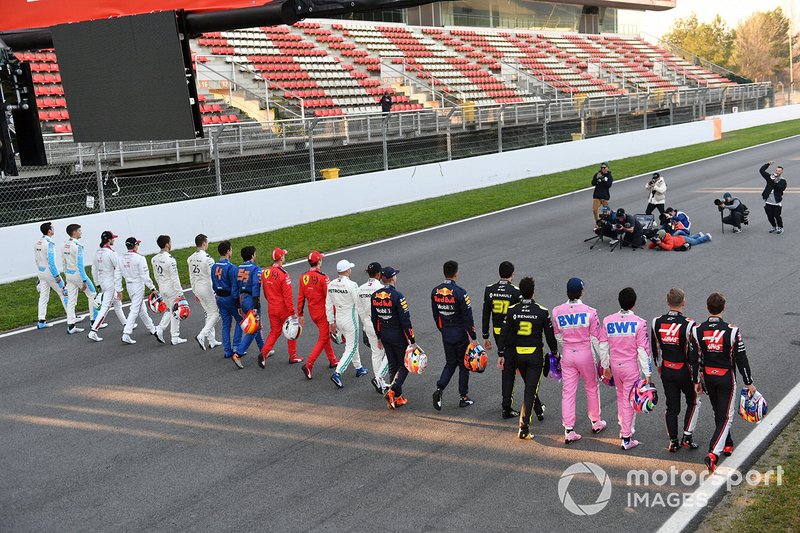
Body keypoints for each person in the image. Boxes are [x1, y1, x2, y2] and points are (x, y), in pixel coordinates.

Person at [692, 292, 756, 473]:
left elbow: (694, 358)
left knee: (719, 412)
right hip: (726, 378)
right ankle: (713, 453)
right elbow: (741, 358)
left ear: (707, 308)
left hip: (708, 378)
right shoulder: (732, 330)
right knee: (726, 416)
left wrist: (696, 380)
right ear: (724, 307)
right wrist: (749, 381)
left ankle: (727, 443)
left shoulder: (697, 330)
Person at [497, 277, 558, 440]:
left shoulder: (512, 310)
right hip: (535, 357)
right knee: (530, 389)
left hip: (518, 355)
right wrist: (555, 352)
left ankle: (538, 408)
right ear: (533, 292)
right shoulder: (542, 311)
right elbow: (550, 336)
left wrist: (501, 353)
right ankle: (524, 426)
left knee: (529, 386)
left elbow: (504, 332)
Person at [482, 260, 544, 420]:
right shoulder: (515, 291)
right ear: (512, 274)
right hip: (513, 336)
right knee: (520, 370)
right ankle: (528, 406)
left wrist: (485, 335)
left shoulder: (489, 289)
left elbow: (485, 313)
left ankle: (515, 406)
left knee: (510, 369)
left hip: (498, 334)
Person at [551, 278, 609, 445]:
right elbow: (596, 339)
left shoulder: (557, 311)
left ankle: (568, 429)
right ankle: (596, 421)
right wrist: (605, 363)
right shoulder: (590, 311)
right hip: (585, 354)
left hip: (568, 354)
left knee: (568, 392)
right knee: (591, 386)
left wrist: (568, 345)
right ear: (581, 292)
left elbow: (558, 335)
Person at [602, 287, 653, 451]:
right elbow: (643, 350)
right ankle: (626, 437)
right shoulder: (639, 322)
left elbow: (603, 346)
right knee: (630, 400)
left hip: (615, 365)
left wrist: (605, 366)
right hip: (630, 367)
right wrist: (648, 373)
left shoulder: (608, 320)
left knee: (621, 397)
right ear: (634, 303)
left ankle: (623, 427)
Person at [651, 288, 701, 452]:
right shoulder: (690, 324)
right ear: (683, 303)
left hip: (667, 369)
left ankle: (673, 441)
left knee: (672, 407)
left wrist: (659, 366)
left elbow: (655, 347)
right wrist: (696, 377)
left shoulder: (656, 321)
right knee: (693, 401)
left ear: (667, 302)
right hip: (684, 370)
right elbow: (694, 353)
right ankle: (687, 434)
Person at [431, 260, 478, 410]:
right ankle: (463, 397)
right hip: (460, 333)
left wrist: (443, 330)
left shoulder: (435, 291)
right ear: (456, 274)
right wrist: (473, 337)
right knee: (464, 365)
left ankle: (439, 389)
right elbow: (468, 318)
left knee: (450, 363)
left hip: (446, 332)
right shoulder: (461, 292)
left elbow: (436, 315)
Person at [371, 266, 416, 409]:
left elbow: (374, 319)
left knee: (393, 365)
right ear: (393, 278)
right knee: (406, 365)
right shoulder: (398, 296)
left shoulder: (375, 295)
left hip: (384, 333)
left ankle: (397, 397)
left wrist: (378, 337)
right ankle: (393, 391)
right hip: (398, 335)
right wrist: (412, 340)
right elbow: (405, 320)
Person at [327, 259, 369, 388]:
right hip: (350, 317)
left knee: (352, 343)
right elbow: (358, 303)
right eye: (349, 268)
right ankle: (337, 373)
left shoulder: (331, 284)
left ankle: (358, 367)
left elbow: (328, 304)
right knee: (350, 348)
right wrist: (365, 321)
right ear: (347, 270)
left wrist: (331, 322)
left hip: (338, 317)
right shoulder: (352, 285)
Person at [259, 247, 303, 367]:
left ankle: (263, 353)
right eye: (284, 255)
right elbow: (288, 296)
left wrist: (271, 301)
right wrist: (292, 312)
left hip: (271, 306)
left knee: (275, 331)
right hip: (283, 308)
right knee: (292, 330)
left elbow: (265, 291)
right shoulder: (284, 274)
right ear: (281, 258)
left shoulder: (265, 272)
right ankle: (293, 356)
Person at [299, 251, 338, 379]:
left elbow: (300, 297)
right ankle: (309, 365)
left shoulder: (303, 277)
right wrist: (334, 315)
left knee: (324, 335)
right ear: (319, 262)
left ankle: (333, 360)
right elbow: (330, 297)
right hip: (324, 313)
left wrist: (300, 314)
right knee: (323, 338)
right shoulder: (323, 277)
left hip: (312, 312)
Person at [88, 231, 127, 341]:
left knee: (117, 303)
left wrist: (97, 283)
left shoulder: (97, 252)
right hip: (110, 282)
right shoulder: (111, 253)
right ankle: (94, 330)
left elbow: (93, 269)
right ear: (109, 240)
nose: (114, 240)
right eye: (113, 238)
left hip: (103, 282)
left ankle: (126, 324)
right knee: (105, 307)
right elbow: (118, 267)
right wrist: (120, 288)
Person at [120, 237, 159, 344]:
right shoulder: (140, 258)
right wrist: (152, 288)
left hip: (129, 285)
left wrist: (119, 289)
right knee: (135, 309)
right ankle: (126, 333)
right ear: (135, 245)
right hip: (137, 285)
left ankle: (151, 328)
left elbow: (118, 274)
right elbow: (145, 276)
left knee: (141, 309)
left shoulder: (121, 257)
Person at [358, 262, 389, 393]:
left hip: (367, 323)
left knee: (376, 353)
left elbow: (360, 309)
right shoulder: (381, 289)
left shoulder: (360, 288)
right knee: (391, 353)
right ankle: (379, 378)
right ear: (378, 274)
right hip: (380, 324)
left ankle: (379, 383)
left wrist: (365, 325)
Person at [188, 234, 221, 351]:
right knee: (216, 313)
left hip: (198, 288)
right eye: (207, 242)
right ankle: (202, 335)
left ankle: (211, 340)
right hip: (207, 289)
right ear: (203, 243)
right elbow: (213, 277)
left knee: (209, 313)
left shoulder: (190, 258)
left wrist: (194, 292)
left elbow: (191, 277)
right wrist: (217, 291)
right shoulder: (208, 259)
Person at [232, 246, 263, 369]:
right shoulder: (256, 269)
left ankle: (264, 349)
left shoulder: (237, 269)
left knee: (257, 325)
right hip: (251, 300)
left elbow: (234, 289)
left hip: (241, 299)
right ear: (252, 255)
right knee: (254, 328)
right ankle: (238, 353)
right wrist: (256, 305)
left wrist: (238, 305)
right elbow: (256, 286)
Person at [152, 235, 186, 345]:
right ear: (167, 244)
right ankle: (175, 337)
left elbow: (156, 275)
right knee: (176, 311)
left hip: (162, 287)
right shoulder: (170, 260)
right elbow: (174, 278)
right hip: (171, 289)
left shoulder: (154, 259)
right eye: (170, 242)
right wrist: (180, 293)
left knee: (170, 310)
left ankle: (160, 329)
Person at [211, 240, 242, 360]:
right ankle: (236, 347)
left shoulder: (214, 266)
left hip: (219, 297)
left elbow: (213, 284)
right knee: (240, 321)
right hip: (230, 297)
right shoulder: (231, 268)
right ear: (228, 251)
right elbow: (235, 287)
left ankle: (227, 350)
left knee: (226, 324)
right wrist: (238, 303)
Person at [34, 221, 68, 329]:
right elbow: (52, 263)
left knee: (43, 296)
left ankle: (41, 321)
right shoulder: (49, 243)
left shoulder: (37, 242)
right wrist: (57, 276)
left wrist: (40, 273)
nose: (53, 229)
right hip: (50, 272)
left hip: (41, 272)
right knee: (64, 292)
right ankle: (72, 316)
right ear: (49, 231)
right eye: (52, 228)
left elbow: (36, 259)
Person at [62, 223, 95, 334]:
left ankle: (71, 326)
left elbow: (63, 263)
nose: (81, 232)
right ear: (74, 232)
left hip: (69, 275)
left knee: (71, 300)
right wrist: (84, 280)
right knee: (92, 295)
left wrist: (66, 276)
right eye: (79, 230)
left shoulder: (64, 245)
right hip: (78, 275)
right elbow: (80, 265)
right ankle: (94, 322)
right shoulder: (78, 246)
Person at [759, 161, 787, 234]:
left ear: (782, 172)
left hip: (776, 202)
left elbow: (781, 188)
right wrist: (767, 164)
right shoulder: (770, 177)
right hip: (768, 201)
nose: (777, 172)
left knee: (777, 216)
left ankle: (780, 227)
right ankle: (774, 226)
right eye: (776, 170)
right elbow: (761, 171)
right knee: (769, 216)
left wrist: (775, 181)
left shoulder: (783, 181)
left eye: (779, 171)